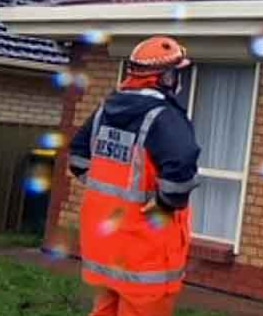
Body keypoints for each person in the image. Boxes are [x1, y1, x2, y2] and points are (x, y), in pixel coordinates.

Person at [67, 36, 202, 316]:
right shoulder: (165, 116)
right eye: (177, 73)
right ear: (166, 77)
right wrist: (165, 202)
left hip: (104, 241)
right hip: (145, 248)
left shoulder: (105, 111)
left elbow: (79, 159)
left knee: (105, 309)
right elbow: (182, 167)